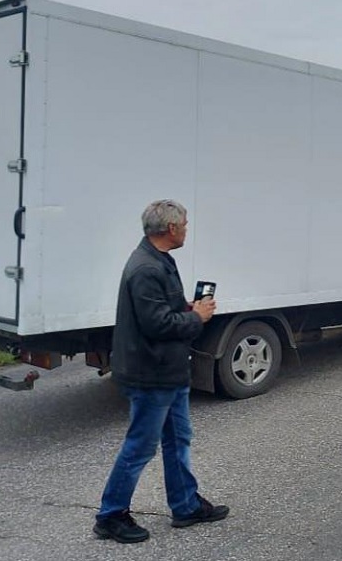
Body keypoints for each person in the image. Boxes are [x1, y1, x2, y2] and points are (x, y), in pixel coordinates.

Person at [94, 199, 228, 544]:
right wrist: (196, 317)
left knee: (178, 439)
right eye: (184, 224)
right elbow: (156, 324)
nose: (186, 230)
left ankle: (186, 505)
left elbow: (161, 310)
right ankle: (110, 516)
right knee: (140, 446)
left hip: (170, 372)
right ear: (171, 228)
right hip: (151, 374)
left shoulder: (160, 260)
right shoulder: (145, 268)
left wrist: (186, 307)